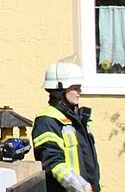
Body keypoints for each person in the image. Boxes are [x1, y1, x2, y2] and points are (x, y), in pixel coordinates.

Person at [32, 61, 100, 192]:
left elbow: (89, 164)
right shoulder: (47, 120)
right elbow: (53, 163)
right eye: (75, 87)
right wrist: (82, 187)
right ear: (60, 89)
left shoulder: (76, 119)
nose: (80, 92)